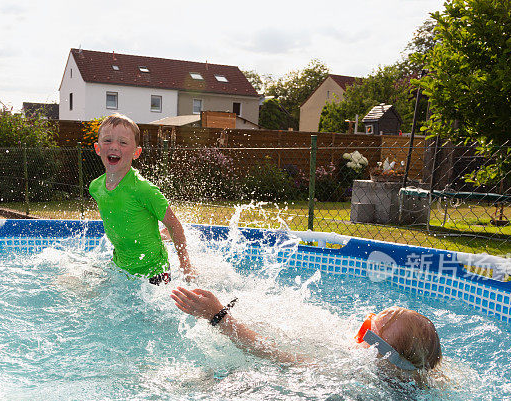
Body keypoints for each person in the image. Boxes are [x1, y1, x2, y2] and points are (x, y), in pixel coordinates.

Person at [170, 286, 442, 381]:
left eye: (364, 331)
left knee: (225, 381)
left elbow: (271, 353)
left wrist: (218, 315)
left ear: (375, 350)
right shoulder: (421, 374)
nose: (357, 334)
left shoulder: (349, 373)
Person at [89, 113, 194, 284]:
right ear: (98, 148)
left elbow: (174, 224)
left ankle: (161, 237)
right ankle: (160, 236)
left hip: (154, 272)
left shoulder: (144, 190)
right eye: (108, 140)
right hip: (120, 267)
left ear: (136, 153)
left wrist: (186, 266)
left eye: (123, 142)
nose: (114, 146)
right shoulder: (96, 187)